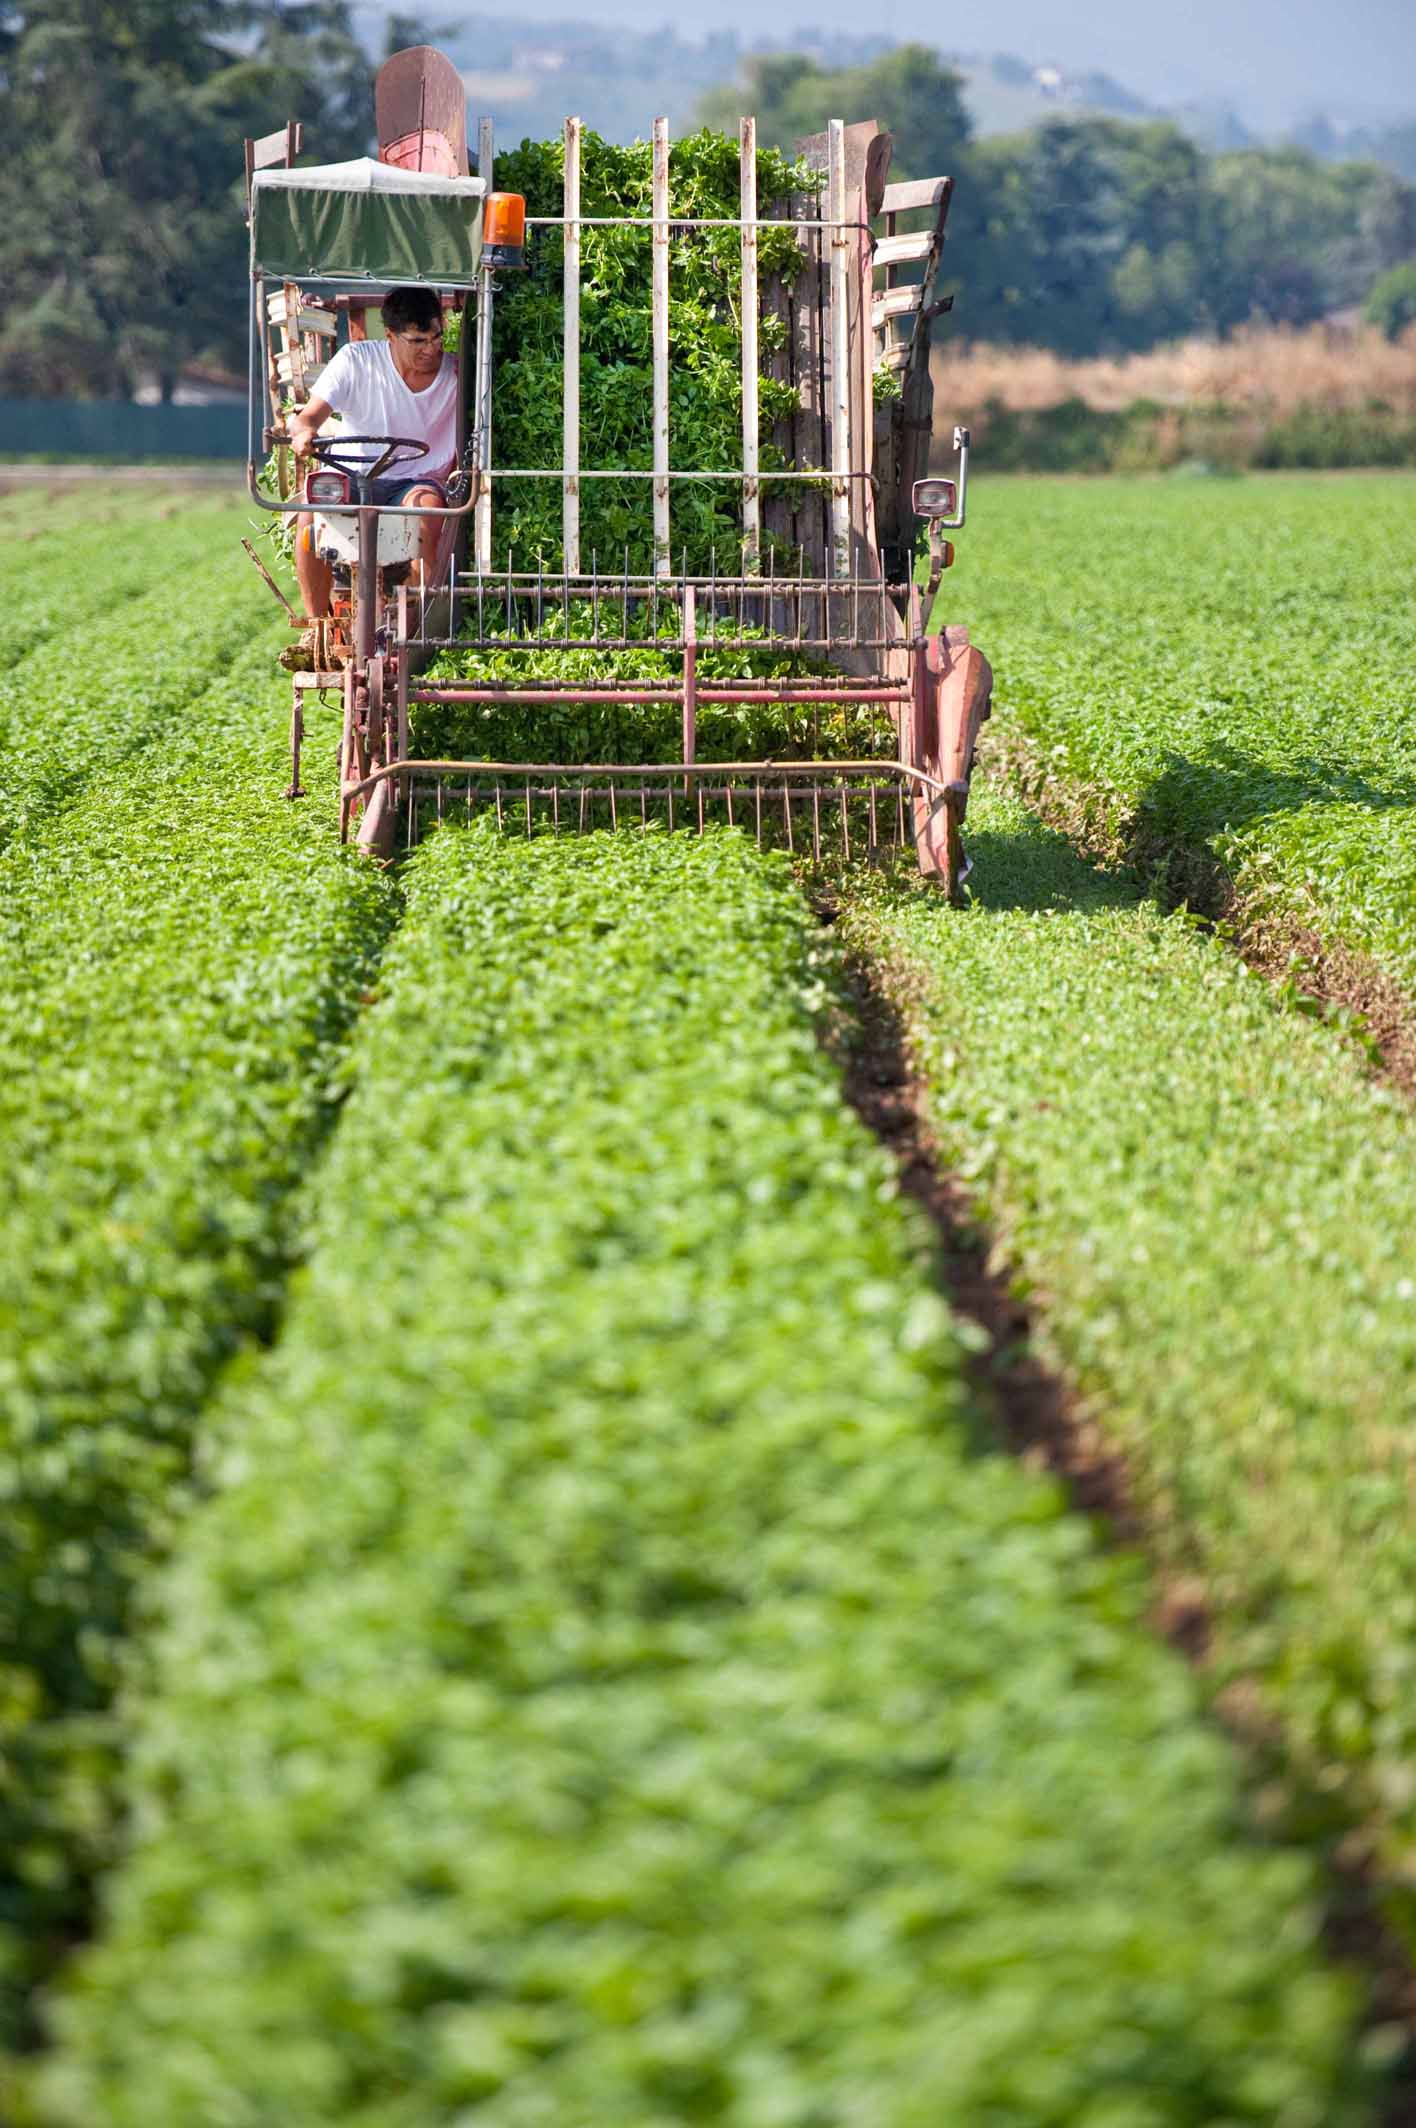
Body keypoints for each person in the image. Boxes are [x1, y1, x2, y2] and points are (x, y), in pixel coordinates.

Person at [280, 284, 457, 670]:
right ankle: (319, 628)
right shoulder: (356, 361)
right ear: (390, 336)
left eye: (437, 337)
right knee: (311, 516)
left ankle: (411, 628)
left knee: (429, 511)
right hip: (354, 476)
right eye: (419, 340)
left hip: (415, 482)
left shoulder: (457, 375)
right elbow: (309, 418)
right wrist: (305, 434)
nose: (432, 349)